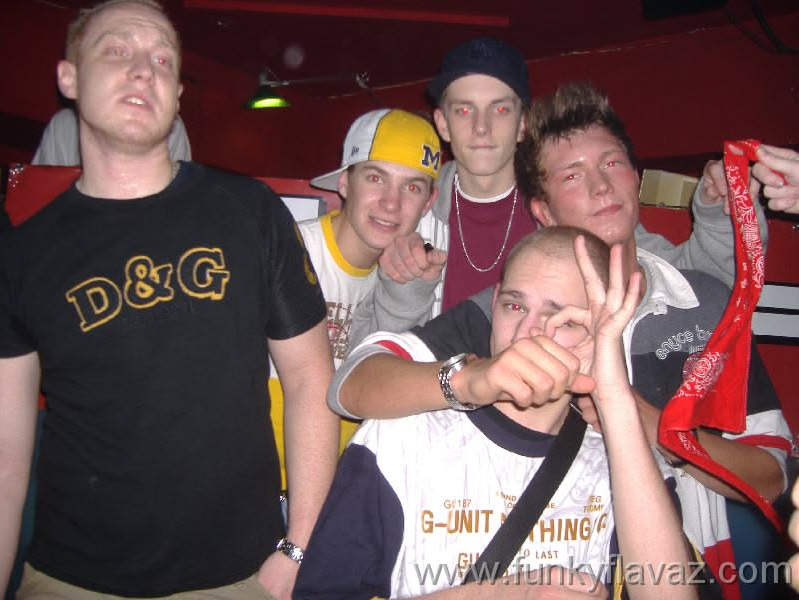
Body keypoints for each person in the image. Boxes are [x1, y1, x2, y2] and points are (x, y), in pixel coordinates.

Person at [329, 82, 791, 597]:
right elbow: (352, 384)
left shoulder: (703, 302)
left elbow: (772, 477)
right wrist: (473, 378)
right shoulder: (513, 313)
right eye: (572, 175)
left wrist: (648, 424)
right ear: (544, 211)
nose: (601, 186)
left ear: (636, 178)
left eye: (612, 164)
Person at [0, 1, 337, 598]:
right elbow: (5, 454)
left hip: (239, 578)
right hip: (69, 579)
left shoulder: (249, 212)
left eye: (161, 59)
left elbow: (311, 380)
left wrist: (298, 549)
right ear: (69, 77)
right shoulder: (21, 254)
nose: (142, 69)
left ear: (177, 95)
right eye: (117, 50)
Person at [295, 227, 697, 599]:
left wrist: (614, 396)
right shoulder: (400, 442)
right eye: (515, 306)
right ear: (494, 303)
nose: (526, 334)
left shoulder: (624, 465)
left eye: (562, 319)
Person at [350, 38, 768, 347]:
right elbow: (362, 359)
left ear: (523, 122)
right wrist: (403, 289)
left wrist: (718, 215)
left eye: (500, 109)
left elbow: (704, 286)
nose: (481, 127)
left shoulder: (572, 207)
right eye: (464, 110)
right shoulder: (409, 212)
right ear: (442, 123)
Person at [269, 108, 442, 479]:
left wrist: (407, 298)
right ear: (346, 183)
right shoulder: (287, 253)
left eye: (412, 187)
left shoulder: (411, 280)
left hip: (338, 486)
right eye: (376, 178)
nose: (391, 203)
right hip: (258, 486)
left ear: (428, 202)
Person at [32, 106, 191, 165]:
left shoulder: (171, 125)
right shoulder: (64, 124)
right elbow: (39, 201)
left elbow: (178, 202)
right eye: (116, 52)